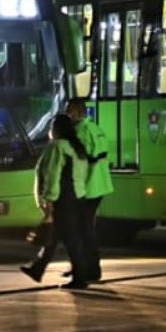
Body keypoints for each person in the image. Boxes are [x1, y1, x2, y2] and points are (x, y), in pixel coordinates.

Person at [20, 114, 93, 288]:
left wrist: (49, 200)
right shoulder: (77, 147)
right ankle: (37, 269)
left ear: (56, 129)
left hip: (63, 199)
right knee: (55, 236)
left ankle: (80, 278)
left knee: (69, 239)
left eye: (51, 127)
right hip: (78, 197)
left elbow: (52, 175)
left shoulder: (57, 146)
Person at [67, 99, 112, 282]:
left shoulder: (80, 132)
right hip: (100, 184)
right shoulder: (95, 128)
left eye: (70, 111)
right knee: (86, 228)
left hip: (88, 186)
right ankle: (84, 266)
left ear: (77, 112)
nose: (68, 115)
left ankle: (90, 269)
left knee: (83, 230)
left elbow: (81, 160)